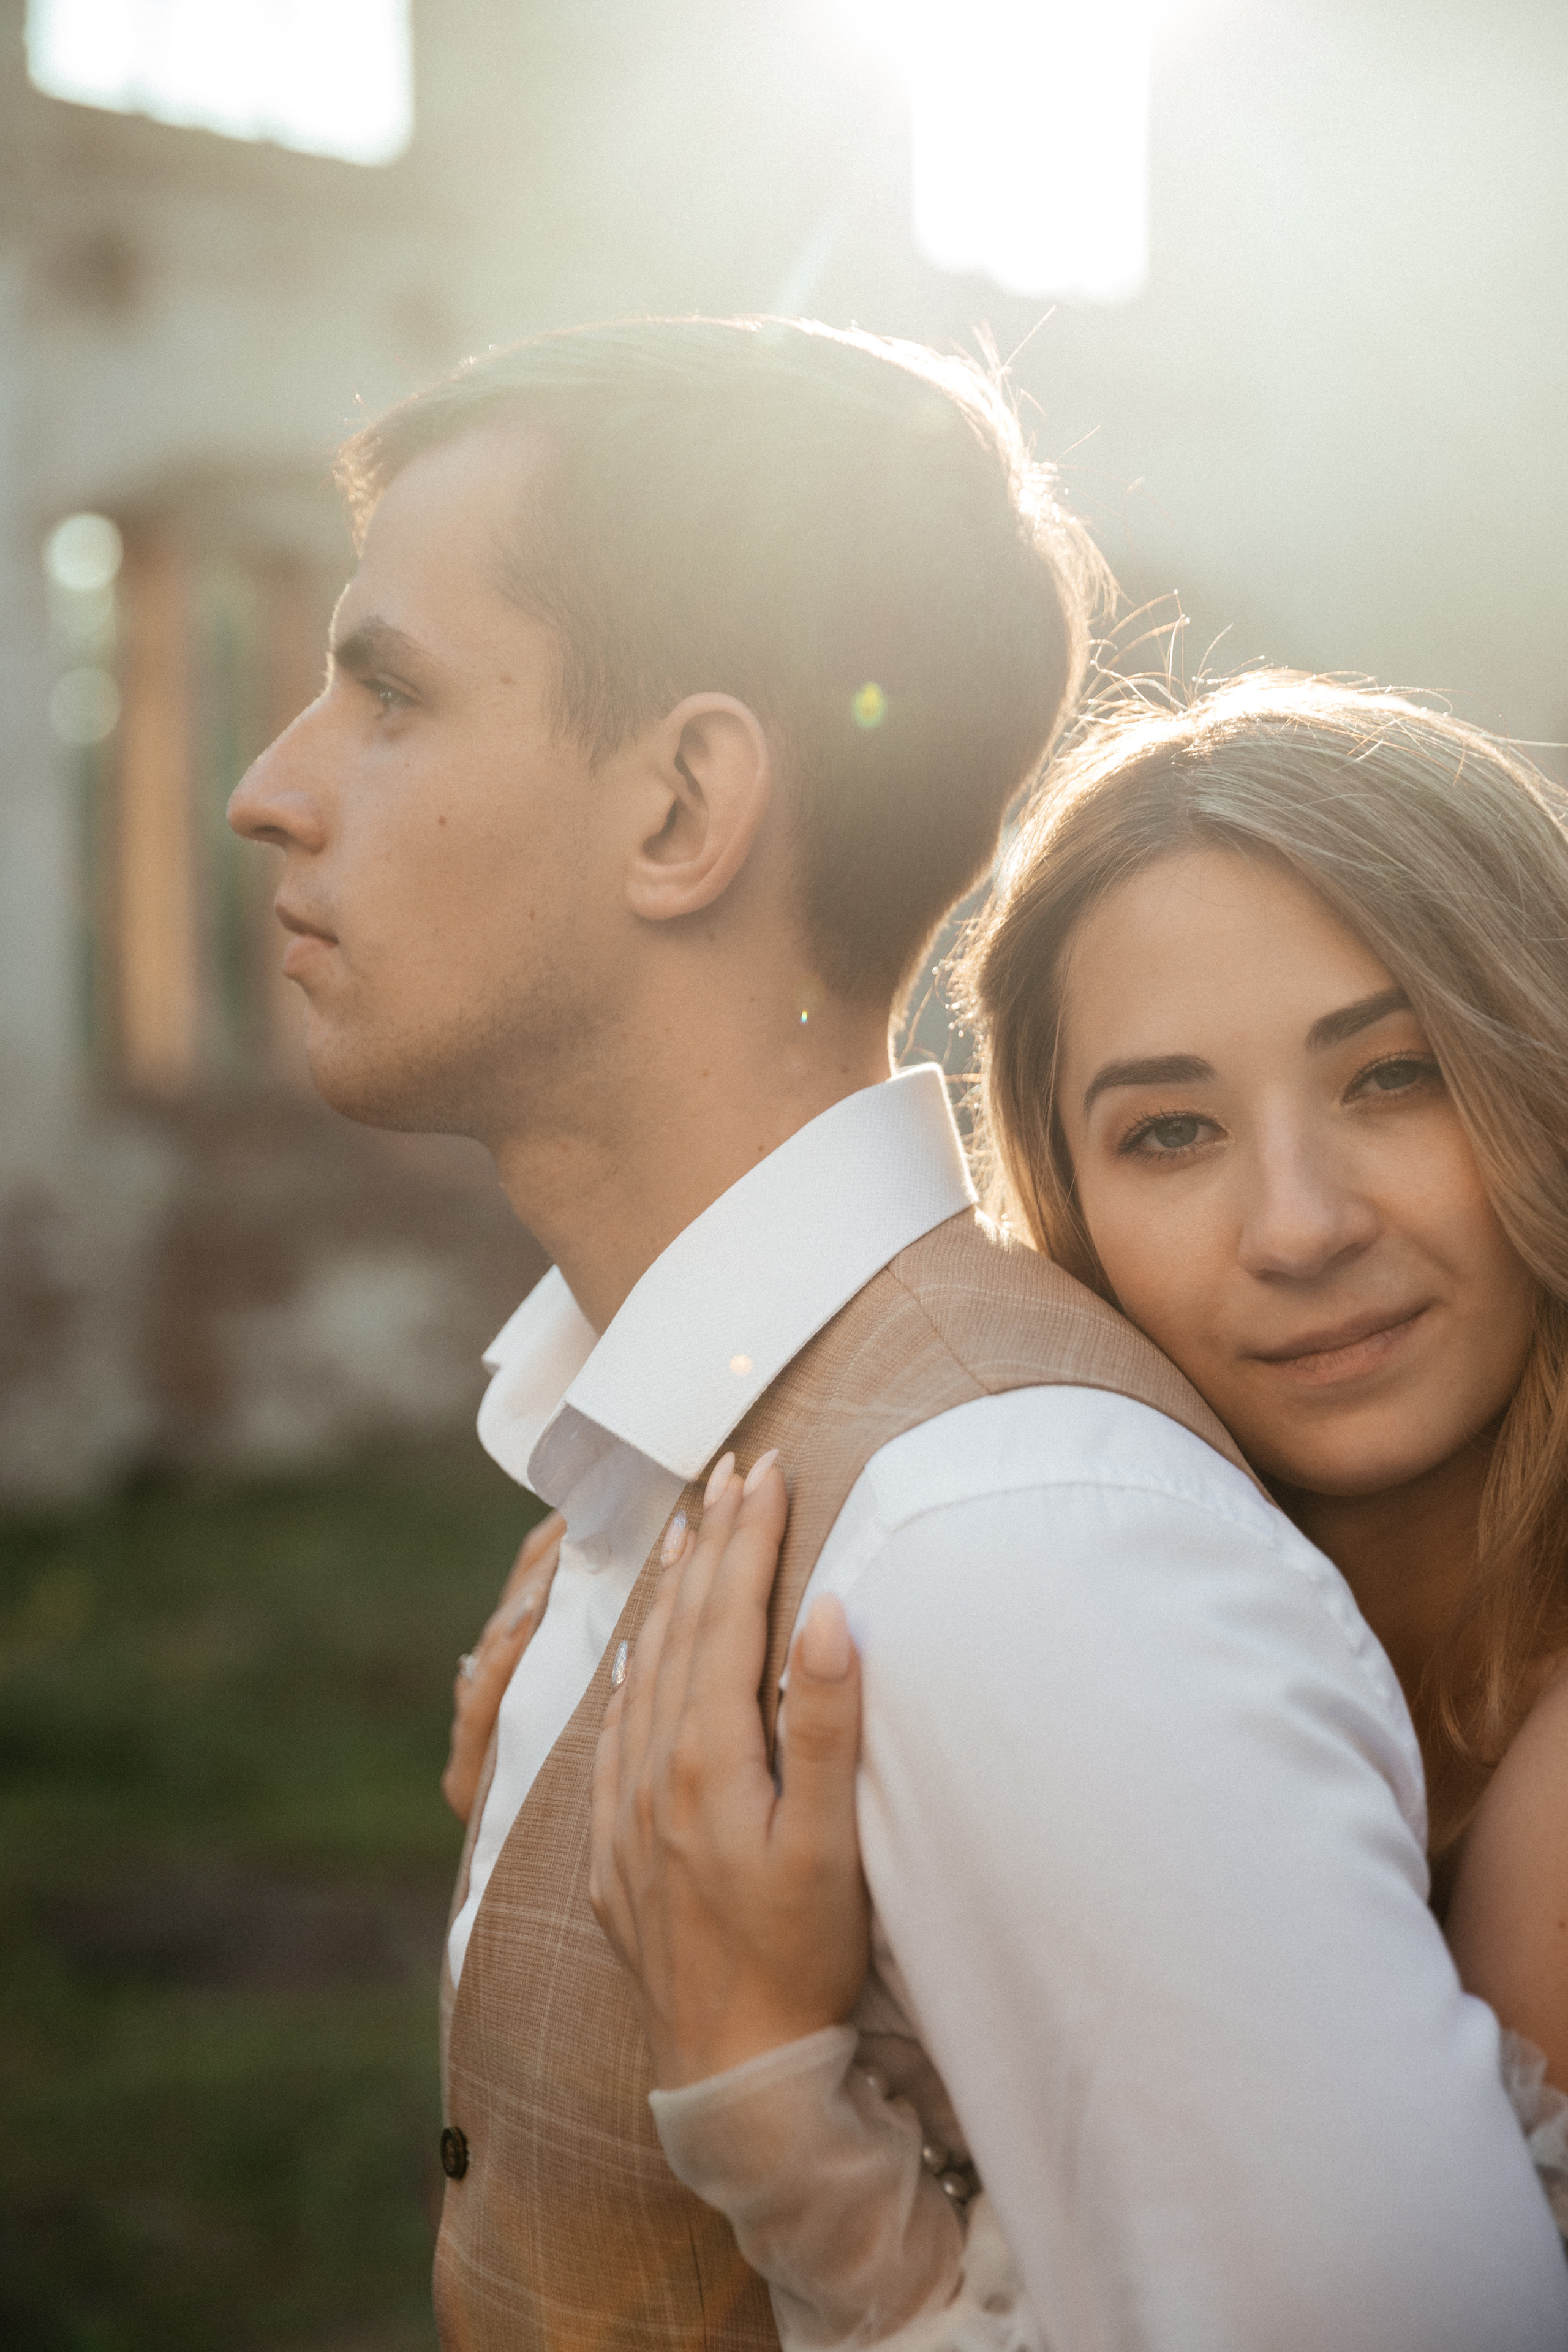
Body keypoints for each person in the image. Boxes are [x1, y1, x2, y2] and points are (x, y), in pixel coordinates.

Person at [226, 306, 1566, 2352]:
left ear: (684, 809)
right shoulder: (771, 1484)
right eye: (1171, 1127)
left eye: (386, 693)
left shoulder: (1019, 1542)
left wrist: (786, 2131)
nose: (268, 791)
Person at [568, 674, 1568, 2346]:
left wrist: (776, 2118)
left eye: (1393, 1077)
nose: (1299, 1224)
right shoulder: (1076, 1619)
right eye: (1170, 1131)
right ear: (1067, 1194)